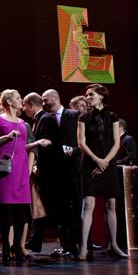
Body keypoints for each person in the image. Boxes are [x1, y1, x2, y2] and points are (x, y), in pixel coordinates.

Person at [76, 84, 128, 260]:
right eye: (87, 95)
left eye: (91, 95)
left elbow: (117, 143)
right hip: (90, 164)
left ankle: (114, 245)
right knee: (88, 204)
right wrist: (97, 160)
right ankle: (84, 247)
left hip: (108, 164)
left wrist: (105, 161)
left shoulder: (112, 117)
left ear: (101, 96)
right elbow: (81, 143)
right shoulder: (83, 117)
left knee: (111, 204)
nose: (88, 97)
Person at [23, 92, 73, 258]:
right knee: (46, 208)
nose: (23, 109)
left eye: (25, 105)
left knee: (59, 210)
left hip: (53, 173)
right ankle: (38, 242)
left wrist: (38, 164)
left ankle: (68, 245)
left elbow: (49, 146)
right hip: (47, 172)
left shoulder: (45, 119)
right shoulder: (41, 119)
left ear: (31, 105)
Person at [0, 89, 30, 264]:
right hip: (5, 167)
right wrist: (7, 137)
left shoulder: (22, 122)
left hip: (21, 167)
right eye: (18, 98)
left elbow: (22, 146)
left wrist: (36, 143)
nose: (21, 100)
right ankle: (6, 246)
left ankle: (17, 247)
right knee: (6, 209)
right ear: (9, 102)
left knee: (21, 210)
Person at [42, 88, 83, 253]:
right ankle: (66, 245)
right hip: (55, 173)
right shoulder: (45, 119)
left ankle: (82, 244)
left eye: (45, 99)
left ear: (55, 97)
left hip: (73, 170)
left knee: (77, 208)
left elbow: (84, 141)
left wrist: (74, 150)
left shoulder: (74, 115)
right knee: (60, 210)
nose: (43, 102)